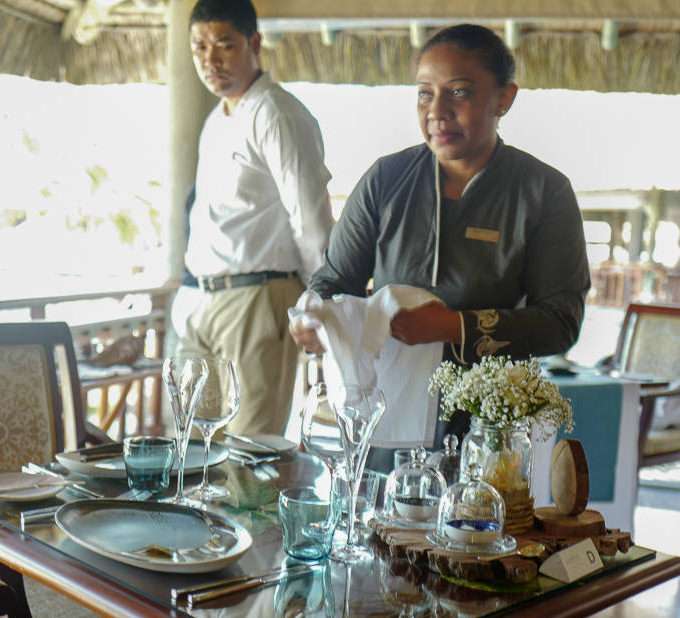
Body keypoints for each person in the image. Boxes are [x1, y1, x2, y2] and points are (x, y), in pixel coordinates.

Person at [290, 23, 590, 445]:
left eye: (459, 92)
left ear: (504, 98)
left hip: (488, 420)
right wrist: (313, 318)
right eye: (424, 93)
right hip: (383, 412)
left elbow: (561, 322)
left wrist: (454, 326)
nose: (437, 111)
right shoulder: (386, 179)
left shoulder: (542, 191)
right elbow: (336, 279)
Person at [176, 0, 333, 435]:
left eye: (224, 45)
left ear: (254, 43)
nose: (210, 59)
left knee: (248, 449)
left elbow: (310, 218)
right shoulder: (217, 119)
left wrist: (317, 305)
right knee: (191, 447)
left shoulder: (276, 113)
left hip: (257, 297)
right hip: (204, 300)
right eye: (199, 47)